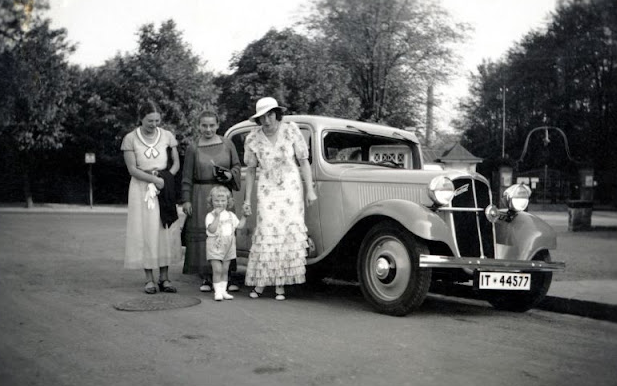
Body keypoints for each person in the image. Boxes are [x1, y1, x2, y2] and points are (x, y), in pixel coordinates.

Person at [242, 97, 318, 300]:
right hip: (267, 188)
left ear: (277, 113)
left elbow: (303, 162)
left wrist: (309, 190)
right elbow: (250, 171)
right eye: (262, 117)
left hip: (290, 188)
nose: (267, 120)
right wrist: (247, 200)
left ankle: (280, 284)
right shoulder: (253, 138)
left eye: (270, 114)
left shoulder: (291, 130)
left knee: (286, 234)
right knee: (267, 231)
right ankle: (260, 282)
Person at [121, 100, 181, 294]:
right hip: (141, 188)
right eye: (150, 121)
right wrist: (153, 180)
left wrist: (165, 180)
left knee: (165, 229)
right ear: (141, 118)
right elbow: (132, 169)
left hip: (164, 185)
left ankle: (165, 277)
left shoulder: (168, 136)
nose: (154, 124)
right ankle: (149, 279)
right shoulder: (130, 138)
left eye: (157, 120)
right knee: (146, 231)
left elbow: (175, 163)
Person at [181, 110, 241, 293]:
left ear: (217, 125)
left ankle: (227, 275)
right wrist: (186, 200)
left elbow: (237, 166)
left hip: (223, 195)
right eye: (204, 125)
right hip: (201, 196)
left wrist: (231, 174)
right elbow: (186, 177)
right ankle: (207, 277)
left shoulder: (227, 144)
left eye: (212, 125)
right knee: (207, 236)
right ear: (198, 126)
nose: (208, 129)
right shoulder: (193, 147)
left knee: (226, 233)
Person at [205, 185, 246, 301]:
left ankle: (224, 291)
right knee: (217, 269)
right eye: (216, 201)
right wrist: (217, 217)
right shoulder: (210, 216)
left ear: (228, 202)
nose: (219, 203)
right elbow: (211, 229)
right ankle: (217, 291)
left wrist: (244, 216)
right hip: (215, 244)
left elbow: (240, 226)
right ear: (211, 201)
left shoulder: (231, 215)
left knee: (225, 270)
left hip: (229, 245)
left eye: (223, 201)